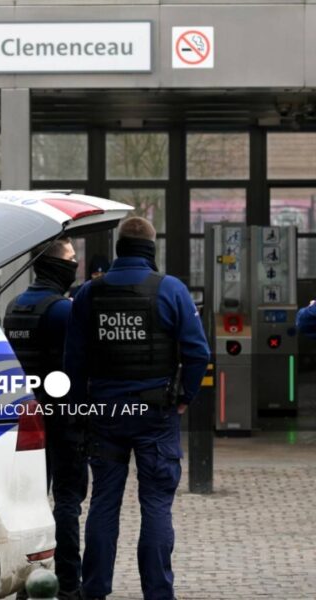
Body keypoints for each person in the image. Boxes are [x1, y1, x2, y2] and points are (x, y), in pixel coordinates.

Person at [65, 217, 210, 600]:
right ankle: (158, 593)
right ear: (151, 249)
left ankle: (94, 589)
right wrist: (184, 397)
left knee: (103, 504)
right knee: (157, 505)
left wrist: (82, 411)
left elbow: (74, 363)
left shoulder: (88, 294)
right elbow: (199, 352)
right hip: (155, 416)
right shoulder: (171, 290)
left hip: (105, 416)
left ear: (119, 248)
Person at [4, 238, 88, 600]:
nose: (76, 264)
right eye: (71, 259)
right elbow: (80, 364)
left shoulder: (14, 307)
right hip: (63, 419)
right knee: (67, 501)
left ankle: (28, 582)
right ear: (56, 266)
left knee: (28, 504)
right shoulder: (63, 311)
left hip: (26, 420)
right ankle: (69, 584)